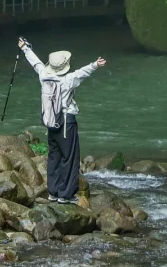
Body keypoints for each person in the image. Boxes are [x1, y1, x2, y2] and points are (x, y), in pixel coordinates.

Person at [18, 35, 106, 203]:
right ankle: (65, 195)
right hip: (67, 122)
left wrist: (25, 48)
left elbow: (35, 62)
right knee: (69, 158)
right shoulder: (68, 79)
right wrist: (95, 64)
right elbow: (83, 73)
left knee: (54, 156)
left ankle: (53, 192)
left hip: (51, 122)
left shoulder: (44, 75)